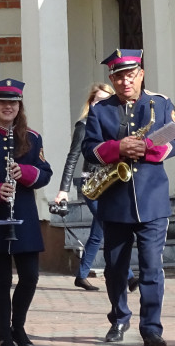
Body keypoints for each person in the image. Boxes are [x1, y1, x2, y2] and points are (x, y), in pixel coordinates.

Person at [82, 49, 175, 346]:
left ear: (141, 73)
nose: (124, 81)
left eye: (130, 74)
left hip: (152, 200)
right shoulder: (101, 110)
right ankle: (118, 317)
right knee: (115, 267)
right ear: (111, 79)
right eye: (117, 76)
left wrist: (148, 150)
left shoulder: (161, 104)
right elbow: (90, 148)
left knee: (152, 266)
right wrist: (118, 148)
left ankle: (151, 327)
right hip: (115, 200)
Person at [0, 79, 52, 346]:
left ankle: (18, 327)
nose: (8, 107)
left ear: (19, 106)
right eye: (2, 102)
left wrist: (26, 173)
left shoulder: (31, 137)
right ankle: (5, 337)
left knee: (30, 276)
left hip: (24, 214)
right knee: (3, 279)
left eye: (13, 103)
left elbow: (45, 173)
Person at [54, 83, 136, 292]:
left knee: (99, 230)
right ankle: (129, 276)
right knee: (109, 225)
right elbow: (72, 157)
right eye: (97, 100)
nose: (101, 104)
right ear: (90, 103)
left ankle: (82, 275)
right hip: (91, 183)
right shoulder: (84, 125)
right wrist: (64, 189)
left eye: (105, 100)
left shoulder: (113, 123)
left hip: (111, 182)